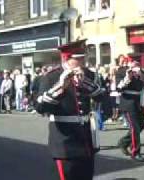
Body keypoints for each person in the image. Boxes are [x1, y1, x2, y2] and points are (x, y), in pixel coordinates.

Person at [35, 40, 105, 180]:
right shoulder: (51, 76)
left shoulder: (89, 75)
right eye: (78, 58)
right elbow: (40, 108)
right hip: (64, 140)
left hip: (85, 137)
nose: (83, 61)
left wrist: (86, 84)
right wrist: (61, 87)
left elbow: (103, 98)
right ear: (66, 58)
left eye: (83, 57)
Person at [117, 60, 144, 162]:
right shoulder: (122, 72)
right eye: (134, 65)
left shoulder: (140, 74)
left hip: (138, 103)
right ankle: (135, 152)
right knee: (135, 128)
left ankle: (124, 142)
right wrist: (128, 78)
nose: (136, 67)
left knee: (142, 124)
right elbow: (118, 88)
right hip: (128, 103)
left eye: (137, 65)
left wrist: (142, 75)